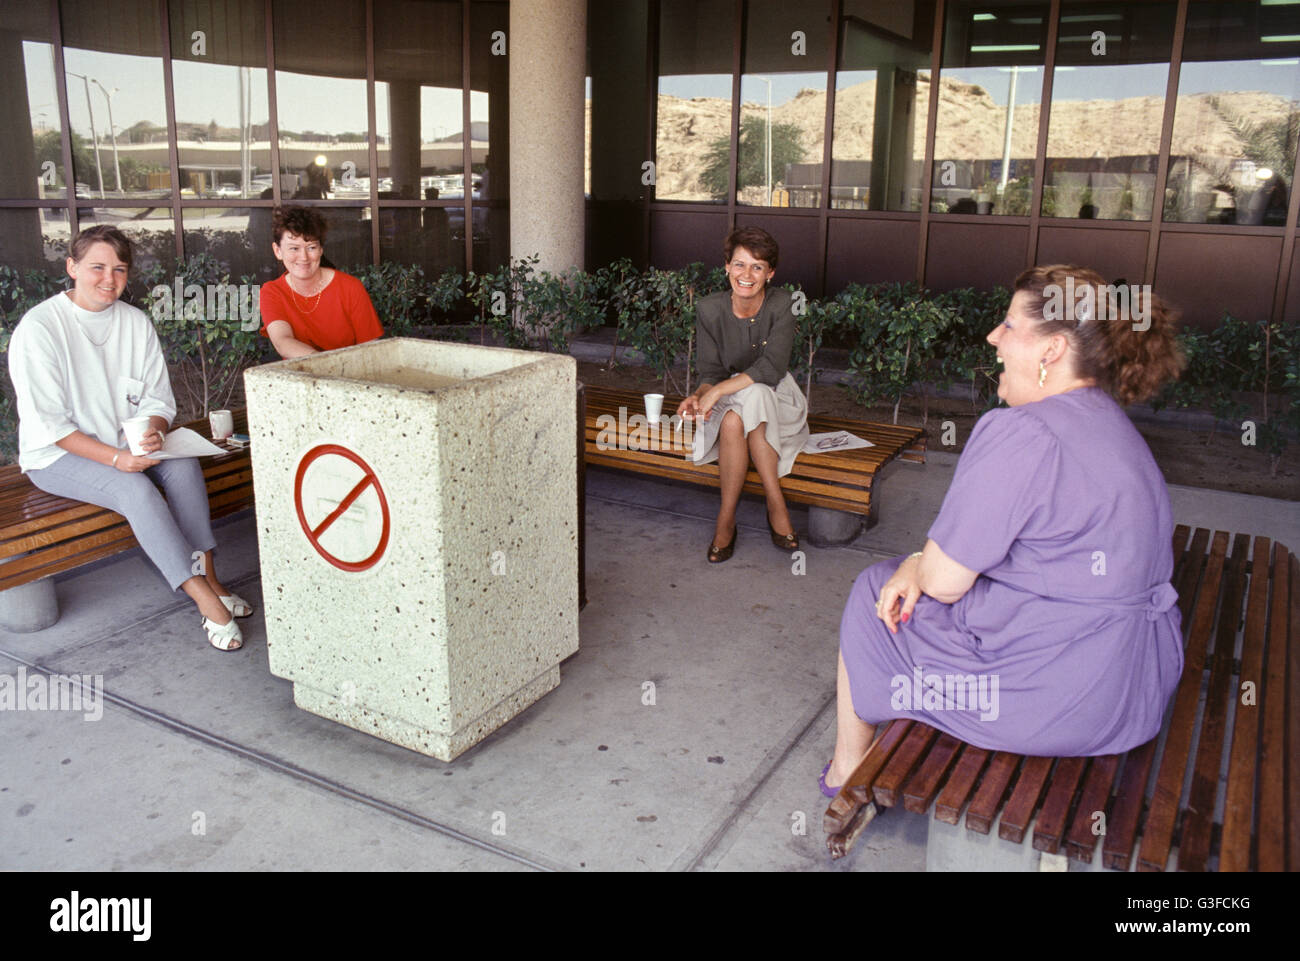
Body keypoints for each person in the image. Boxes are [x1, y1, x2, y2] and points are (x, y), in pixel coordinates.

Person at [820, 265, 1187, 797]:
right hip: (1135, 687)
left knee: (876, 593)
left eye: (1011, 325)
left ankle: (846, 775)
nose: (993, 336)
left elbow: (944, 581)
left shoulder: (1022, 431)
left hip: (1056, 699)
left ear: (1052, 350)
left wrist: (910, 564)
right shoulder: (1111, 421)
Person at [7, 225, 252, 651]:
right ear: (72, 267)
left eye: (119, 269)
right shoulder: (41, 327)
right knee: (135, 490)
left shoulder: (135, 322)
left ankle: (211, 576)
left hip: (126, 445)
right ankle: (202, 597)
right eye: (97, 267)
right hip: (57, 456)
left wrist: (154, 430)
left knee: (183, 465)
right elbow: (51, 425)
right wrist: (118, 460)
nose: (109, 279)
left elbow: (157, 398)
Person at [675, 227, 809, 562]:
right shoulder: (709, 309)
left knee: (754, 399)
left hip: (779, 400)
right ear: (726, 267)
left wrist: (717, 390)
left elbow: (772, 368)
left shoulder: (783, 304)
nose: (746, 275)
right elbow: (710, 373)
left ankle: (727, 521)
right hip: (733, 400)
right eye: (739, 265)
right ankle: (773, 504)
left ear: (770, 273)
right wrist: (700, 394)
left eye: (757, 267)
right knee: (734, 417)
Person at [259, 206, 383, 358]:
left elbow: (370, 349)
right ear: (277, 251)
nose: (304, 257)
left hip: (349, 376)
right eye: (294, 248)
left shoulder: (350, 287)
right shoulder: (272, 292)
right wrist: (326, 367)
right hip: (299, 376)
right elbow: (282, 342)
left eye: (311, 247)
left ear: (321, 249)